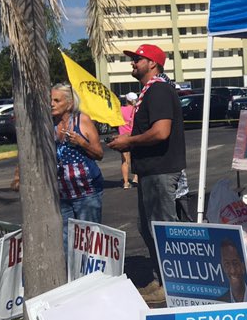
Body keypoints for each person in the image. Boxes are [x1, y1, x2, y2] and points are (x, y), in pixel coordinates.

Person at [107, 43, 186, 303]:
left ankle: (174, 284)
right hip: (151, 171)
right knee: (148, 227)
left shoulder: (160, 90)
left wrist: (129, 141)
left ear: (152, 63)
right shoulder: (150, 91)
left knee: (162, 229)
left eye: (138, 59)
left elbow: (161, 132)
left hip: (162, 170)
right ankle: (162, 279)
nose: (133, 63)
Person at [50, 84, 105, 247]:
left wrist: (82, 143)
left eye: (56, 100)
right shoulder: (50, 124)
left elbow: (99, 153)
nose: (51, 104)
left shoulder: (82, 120)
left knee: (89, 241)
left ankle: (94, 272)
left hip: (86, 192)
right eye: (50, 100)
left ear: (69, 103)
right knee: (66, 242)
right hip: (63, 194)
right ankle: (72, 273)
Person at [218, 239, 247, 303]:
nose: (232, 271)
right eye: (227, 264)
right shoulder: (218, 303)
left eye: (235, 263)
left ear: (243, 266)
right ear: (223, 267)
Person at [119, 92, 137, 189]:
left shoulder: (120, 110)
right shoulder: (135, 110)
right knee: (136, 157)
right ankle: (136, 177)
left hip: (122, 137)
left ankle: (125, 182)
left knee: (124, 161)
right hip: (133, 136)